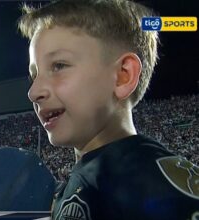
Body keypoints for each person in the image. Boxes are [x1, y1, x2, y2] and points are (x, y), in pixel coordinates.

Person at [18, 0, 199, 219]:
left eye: (58, 66)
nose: (33, 92)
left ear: (123, 76)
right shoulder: (93, 176)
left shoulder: (145, 184)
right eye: (34, 74)